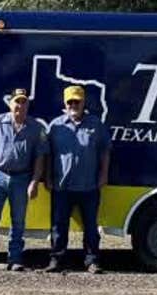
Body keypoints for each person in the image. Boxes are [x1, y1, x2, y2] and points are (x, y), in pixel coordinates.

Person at [0, 88, 46, 272]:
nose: (20, 106)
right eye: (17, 101)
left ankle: (14, 259)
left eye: (23, 102)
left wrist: (35, 181)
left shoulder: (36, 128)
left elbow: (40, 157)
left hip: (22, 178)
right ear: (10, 103)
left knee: (18, 221)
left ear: (28, 105)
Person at [44, 85, 111, 274]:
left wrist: (104, 174)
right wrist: (47, 177)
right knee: (58, 226)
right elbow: (48, 154)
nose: (74, 104)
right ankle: (56, 260)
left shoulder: (96, 125)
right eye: (70, 101)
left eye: (77, 101)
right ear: (65, 103)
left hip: (89, 185)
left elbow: (105, 151)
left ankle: (92, 262)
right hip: (61, 185)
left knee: (91, 227)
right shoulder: (56, 126)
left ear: (84, 102)